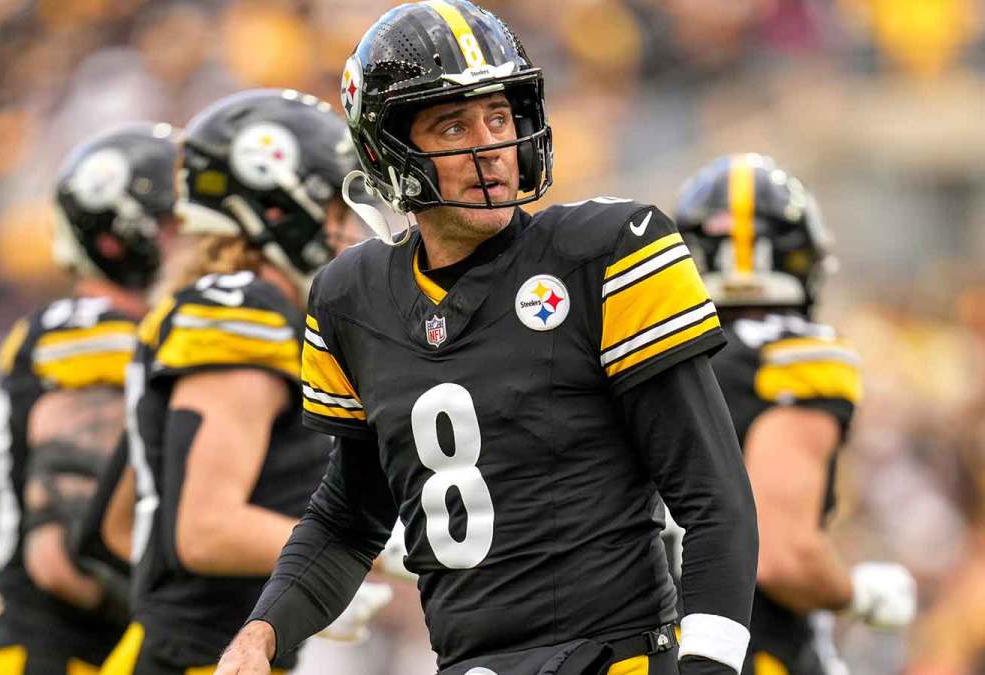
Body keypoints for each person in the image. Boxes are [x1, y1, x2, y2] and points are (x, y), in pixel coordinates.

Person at [216, 3, 758, 675]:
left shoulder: (604, 254)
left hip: (613, 657)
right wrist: (263, 630)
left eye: (499, 118)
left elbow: (714, 497)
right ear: (388, 149)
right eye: (453, 125)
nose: (490, 146)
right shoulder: (348, 299)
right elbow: (349, 515)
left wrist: (709, 664)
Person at [97, 88, 390, 675]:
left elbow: (117, 524)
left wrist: (282, 595)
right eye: (335, 210)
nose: (349, 230)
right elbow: (204, 528)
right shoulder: (243, 314)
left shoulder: (202, 308)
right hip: (199, 658)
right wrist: (366, 554)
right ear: (277, 206)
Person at [674, 153, 917, 675]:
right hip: (748, 648)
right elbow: (781, 556)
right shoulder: (798, 358)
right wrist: (859, 595)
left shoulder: (652, 353)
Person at [0, 123, 182, 674]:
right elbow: (62, 558)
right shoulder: (98, 336)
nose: (203, 237)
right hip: (62, 657)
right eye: (181, 222)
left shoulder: (54, 333)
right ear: (125, 236)